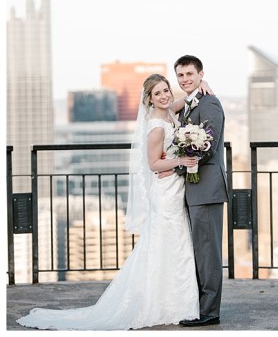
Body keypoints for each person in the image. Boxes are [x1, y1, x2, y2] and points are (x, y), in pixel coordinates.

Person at [17, 74, 201, 330]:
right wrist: (180, 161)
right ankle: (168, 304)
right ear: (149, 99)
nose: (164, 96)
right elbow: (153, 164)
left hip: (174, 186)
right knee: (169, 244)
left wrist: (201, 86)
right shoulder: (157, 125)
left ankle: (177, 302)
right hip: (165, 191)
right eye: (158, 93)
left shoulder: (169, 111)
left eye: (166, 91)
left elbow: (183, 102)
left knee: (176, 243)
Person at [173, 54, 229, 327]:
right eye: (181, 76)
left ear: (200, 74)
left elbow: (208, 143)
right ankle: (198, 306)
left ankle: (209, 312)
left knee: (207, 253)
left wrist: (180, 165)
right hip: (193, 190)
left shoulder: (210, 102)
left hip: (206, 188)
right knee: (197, 251)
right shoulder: (188, 104)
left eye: (190, 75)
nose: (185, 79)